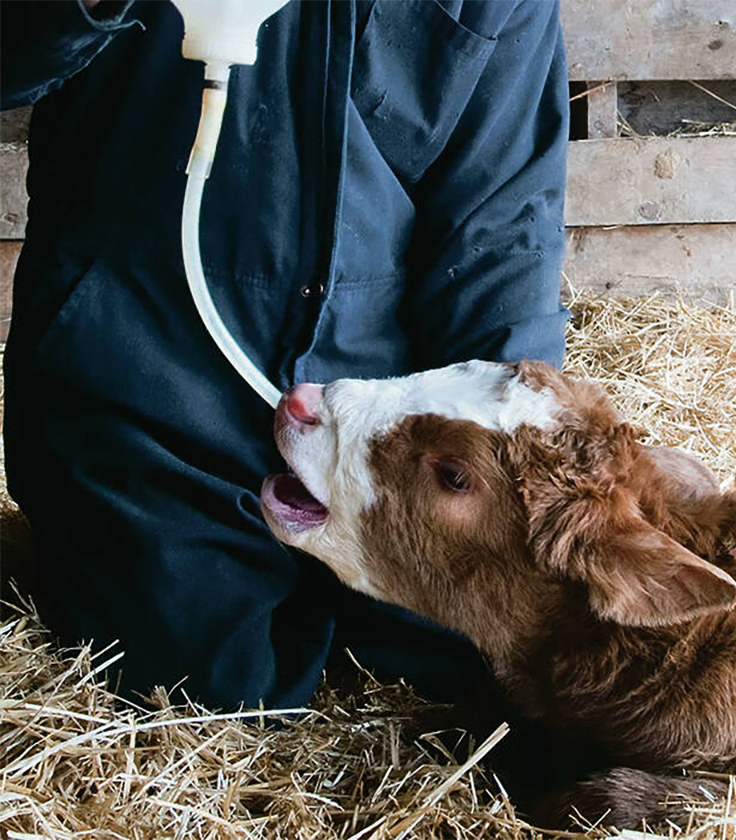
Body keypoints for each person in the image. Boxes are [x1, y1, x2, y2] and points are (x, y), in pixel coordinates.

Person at [0, 0, 571, 709]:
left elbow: (501, 217)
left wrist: (513, 448)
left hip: (376, 406)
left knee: (475, 672)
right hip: (144, 369)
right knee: (205, 687)